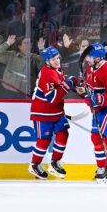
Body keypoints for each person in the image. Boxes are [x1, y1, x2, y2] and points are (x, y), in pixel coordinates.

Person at [28, 46, 78, 179]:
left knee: (63, 134)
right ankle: (34, 165)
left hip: (57, 112)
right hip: (43, 112)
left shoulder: (57, 70)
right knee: (44, 140)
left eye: (57, 58)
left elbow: (60, 87)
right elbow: (53, 98)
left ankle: (55, 162)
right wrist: (67, 85)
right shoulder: (46, 73)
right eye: (53, 59)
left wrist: (75, 86)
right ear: (47, 61)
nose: (57, 61)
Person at [79, 43, 107, 182]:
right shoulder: (91, 68)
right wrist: (85, 93)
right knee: (101, 139)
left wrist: (98, 99)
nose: (87, 59)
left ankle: (102, 168)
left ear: (98, 58)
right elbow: (90, 88)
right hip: (98, 108)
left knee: (99, 138)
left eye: (90, 57)